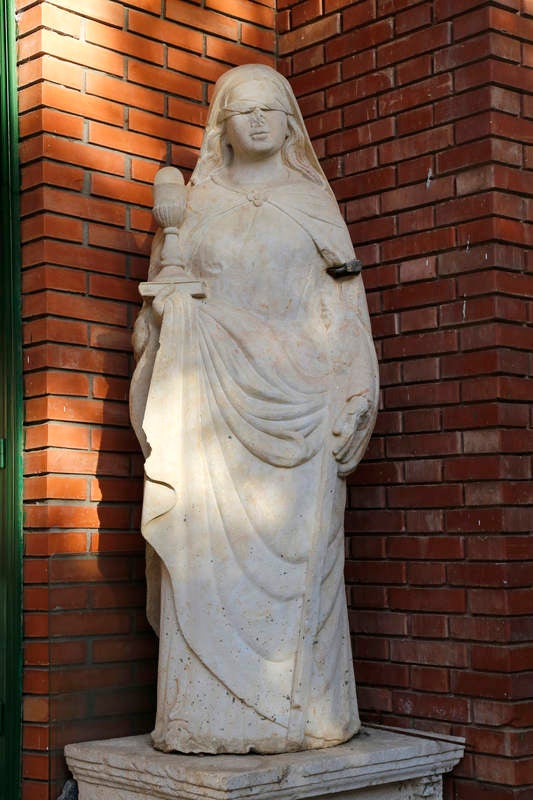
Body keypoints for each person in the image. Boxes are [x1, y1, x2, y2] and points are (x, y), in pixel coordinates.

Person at [129, 64, 379, 755]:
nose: (260, 122)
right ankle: (202, 713)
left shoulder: (312, 205)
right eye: (244, 111)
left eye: (273, 110)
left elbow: (344, 310)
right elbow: (155, 316)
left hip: (302, 406)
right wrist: (165, 312)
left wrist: (357, 390)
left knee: (307, 558)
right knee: (204, 554)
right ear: (222, 126)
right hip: (212, 406)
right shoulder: (192, 209)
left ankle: (307, 713)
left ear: (290, 122)